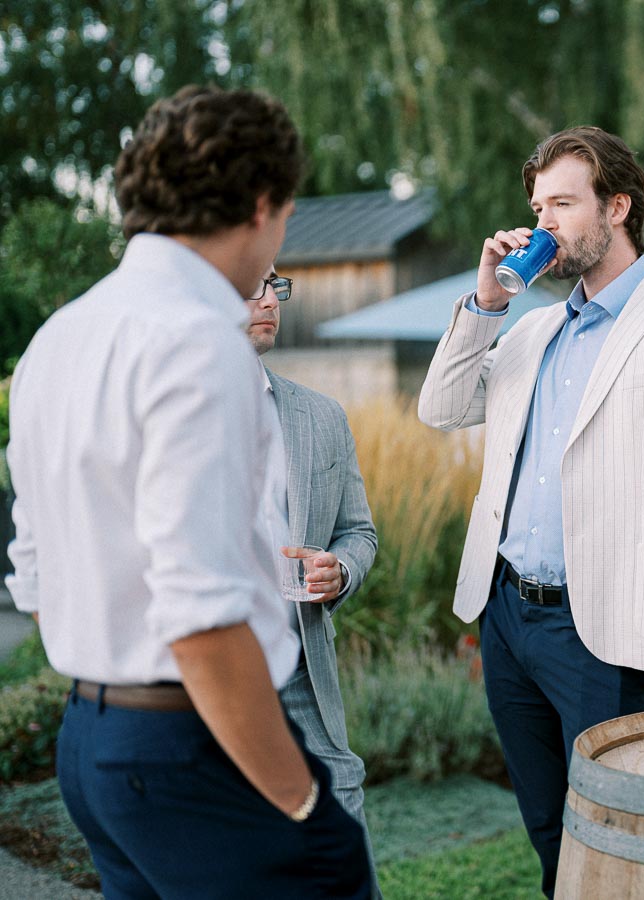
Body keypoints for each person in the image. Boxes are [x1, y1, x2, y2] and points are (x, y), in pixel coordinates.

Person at [4, 86, 371, 898]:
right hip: (193, 748)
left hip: (92, 743)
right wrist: (303, 800)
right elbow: (202, 618)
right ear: (263, 205)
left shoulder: (56, 339)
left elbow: (35, 572)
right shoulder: (202, 346)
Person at [417, 125, 644, 896]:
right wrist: (485, 300)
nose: (544, 224)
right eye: (538, 207)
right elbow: (440, 407)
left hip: (608, 629)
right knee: (545, 830)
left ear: (619, 207)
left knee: (615, 837)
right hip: (506, 619)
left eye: (562, 204)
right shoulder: (529, 330)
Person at [245, 269, 383, 895]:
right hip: (210, 676)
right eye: (252, 286)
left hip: (303, 668)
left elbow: (360, 532)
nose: (269, 300)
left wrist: (341, 568)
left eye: (275, 286)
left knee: (346, 851)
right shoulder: (172, 411)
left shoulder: (321, 415)